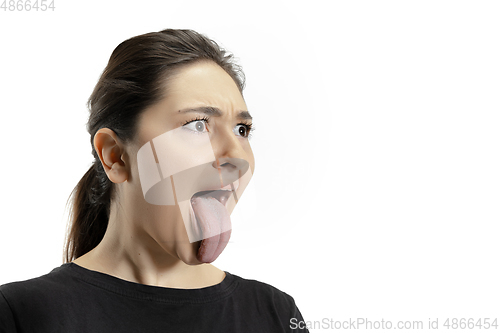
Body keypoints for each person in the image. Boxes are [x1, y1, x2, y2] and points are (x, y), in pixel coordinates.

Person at [0, 28, 309, 332]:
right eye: (198, 125)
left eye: (242, 130)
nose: (237, 156)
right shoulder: (22, 314)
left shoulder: (276, 315)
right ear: (115, 156)